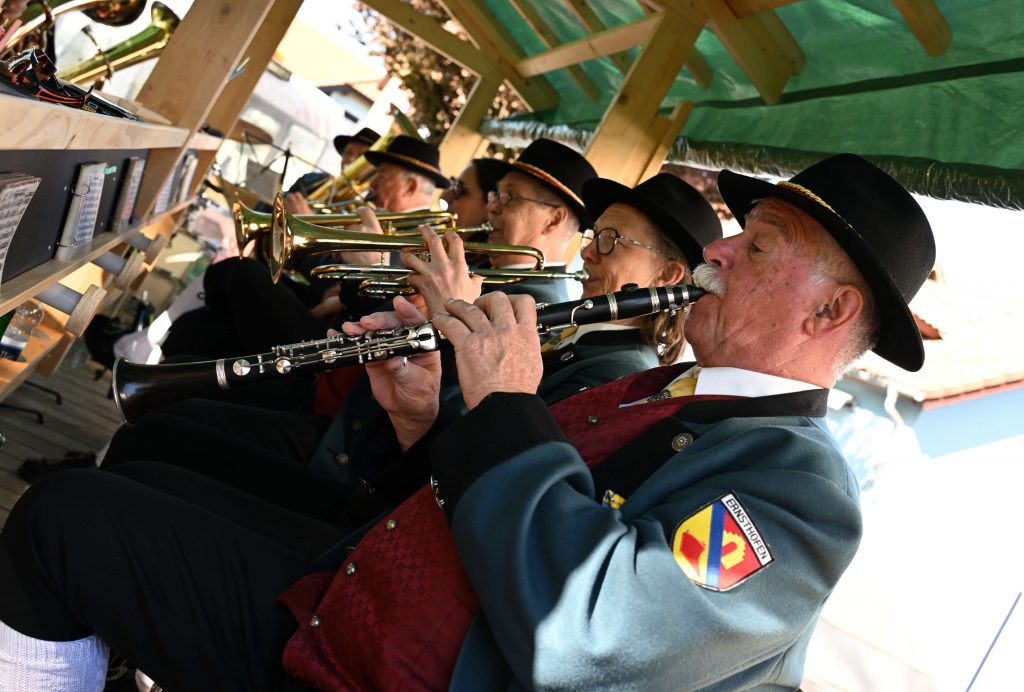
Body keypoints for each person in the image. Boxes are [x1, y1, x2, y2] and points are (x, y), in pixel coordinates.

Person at [0, 154, 934, 691]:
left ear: (830, 312)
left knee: (63, 523)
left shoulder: (801, 501)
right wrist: (419, 422)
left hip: (382, 671)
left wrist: (505, 406)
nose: (719, 251)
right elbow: (490, 511)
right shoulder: (674, 391)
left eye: (757, 244)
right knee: (124, 486)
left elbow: (591, 629)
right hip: (351, 604)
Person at [97, 172, 722, 526]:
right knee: (164, 426)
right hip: (360, 449)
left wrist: (449, 319)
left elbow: (488, 459)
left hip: (373, 500)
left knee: (149, 450)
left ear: (668, 277)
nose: (590, 252)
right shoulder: (575, 328)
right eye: (594, 236)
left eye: (611, 241)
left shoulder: (616, 373)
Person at [281, 126, 380, 216]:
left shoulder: (375, 207)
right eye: (348, 152)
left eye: (361, 157)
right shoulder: (309, 180)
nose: (350, 159)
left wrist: (306, 220)